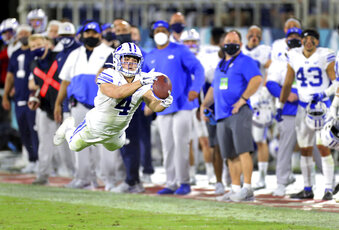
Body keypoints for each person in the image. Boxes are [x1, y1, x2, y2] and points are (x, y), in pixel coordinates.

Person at [53, 42, 173, 193]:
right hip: (96, 124)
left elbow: (153, 105)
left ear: (139, 62)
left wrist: (165, 102)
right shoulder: (108, 74)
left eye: (134, 60)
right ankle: (68, 128)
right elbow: (117, 93)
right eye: (126, 59)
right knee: (74, 145)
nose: (130, 63)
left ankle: (110, 179)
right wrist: (141, 82)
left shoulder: (142, 80)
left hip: (118, 130)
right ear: (117, 60)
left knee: (112, 148)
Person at [144, 20, 205, 195]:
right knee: (167, 146)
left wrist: (195, 89)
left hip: (183, 104)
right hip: (163, 107)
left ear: (169, 32)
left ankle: (184, 182)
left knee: (181, 144)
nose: (160, 32)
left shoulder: (180, 50)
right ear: (153, 33)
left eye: (164, 30)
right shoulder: (150, 56)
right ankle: (171, 182)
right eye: (157, 30)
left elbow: (198, 68)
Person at [201, 30, 262, 202]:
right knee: (230, 154)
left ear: (240, 44)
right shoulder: (221, 64)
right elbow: (213, 87)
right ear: (222, 44)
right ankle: (235, 189)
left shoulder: (246, 61)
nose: (230, 43)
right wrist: (204, 105)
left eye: (234, 40)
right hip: (221, 114)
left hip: (238, 112)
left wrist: (243, 99)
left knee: (243, 150)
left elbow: (257, 79)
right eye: (228, 40)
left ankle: (248, 188)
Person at [277, 29, 336, 200]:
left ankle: (328, 188)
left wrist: (324, 95)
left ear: (318, 42)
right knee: (305, 149)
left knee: (323, 147)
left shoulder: (325, 55)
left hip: (322, 108)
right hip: (303, 108)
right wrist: (280, 105)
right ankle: (308, 188)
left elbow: (336, 82)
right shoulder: (294, 55)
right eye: (306, 39)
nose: (309, 42)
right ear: (302, 41)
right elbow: (288, 82)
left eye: (312, 39)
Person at [54, 21, 114, 189]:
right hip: (78, 103)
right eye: (87, 33)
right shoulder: (74, 54)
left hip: (102, 104)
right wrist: (58, 104)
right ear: (82, 35)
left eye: (94, 33)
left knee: (104, 144)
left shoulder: (110, 53)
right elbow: (65, 81)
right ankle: (83, 179)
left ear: (100, 35)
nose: (91, 36)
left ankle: (108, 179)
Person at [266, 27, 302, 196]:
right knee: (285, 147)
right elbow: (271, 83)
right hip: (288, 109)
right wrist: (286, 96)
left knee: (319, 147)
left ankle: (327, 184)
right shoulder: (280, 61)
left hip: (310, 109)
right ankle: (281, 182)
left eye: (297, 37)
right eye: (291, 37)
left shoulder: (311, 59)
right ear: (285, 41)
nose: (294, 40)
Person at [2, 24, 39, 173]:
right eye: (21, 33)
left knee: (35, 131)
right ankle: (31, 160)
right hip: (18, 99)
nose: (23, 36)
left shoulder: (36, 52)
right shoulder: (16, 53)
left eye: (26, 33)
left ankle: (39, 160)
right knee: (24, 131)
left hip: (33, 98)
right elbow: (10, 76)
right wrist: (5, 95)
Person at [180, 29, 215, 185]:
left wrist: (205, 105)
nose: (190, 45)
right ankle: (191, 174)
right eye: (187, 42)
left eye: (193, 41)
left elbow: (210, 82)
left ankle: (211, 173)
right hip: (183, 106)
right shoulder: (177, 59)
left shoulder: (204, 59)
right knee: (187, 142)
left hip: (199, 104)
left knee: (205, 141)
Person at [241, 25, 272, 190]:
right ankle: (241, 176)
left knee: (260, 139)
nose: (254, 37)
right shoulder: (240, 50)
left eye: (257, 35)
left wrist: (265, 88)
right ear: (247, 36)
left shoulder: (265, 50)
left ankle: (262, 177)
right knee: (241, 140)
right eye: (251, 34)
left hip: (259, 99)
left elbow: (270, 67)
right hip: (243, 99)